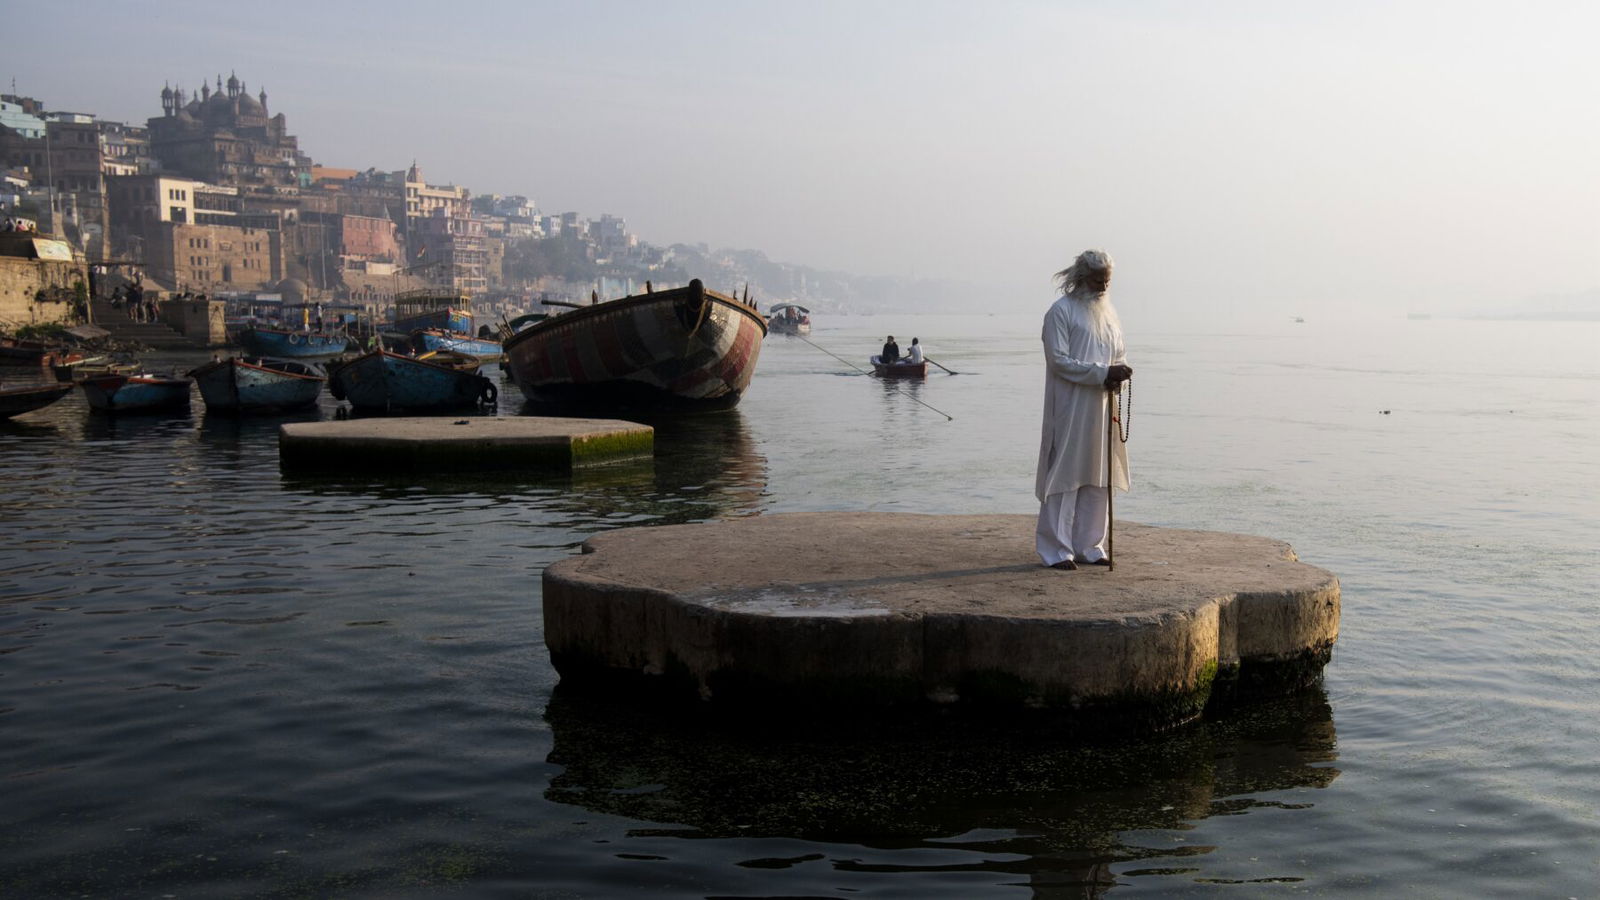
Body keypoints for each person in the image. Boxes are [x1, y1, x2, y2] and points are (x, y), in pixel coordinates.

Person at [1035, 249, 1133, 570]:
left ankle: (1090, 545)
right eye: (1097, 279)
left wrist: (1118, 374)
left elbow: (1118, 354)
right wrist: (1102, 373)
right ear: (1081, 277)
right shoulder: (1060, 313)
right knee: (1065, 473)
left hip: (1103, 406)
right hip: (1070, 406)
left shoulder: (1109, 315)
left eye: (1107, 280)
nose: (1103, 286)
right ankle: (1056, 550)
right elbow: (1059, 361)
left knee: (1098, 475)